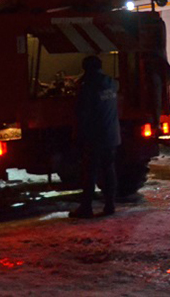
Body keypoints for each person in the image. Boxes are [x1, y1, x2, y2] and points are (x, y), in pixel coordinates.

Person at [70, 55, 121, 218]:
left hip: (95, 137)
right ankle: (110, 205)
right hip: (112, 134)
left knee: (89, 172)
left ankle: (86, 207)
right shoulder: (111, 83)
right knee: (108, 170)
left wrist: (78, 136)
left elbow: (81, 113)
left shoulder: (88, 87)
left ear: (86, 69)